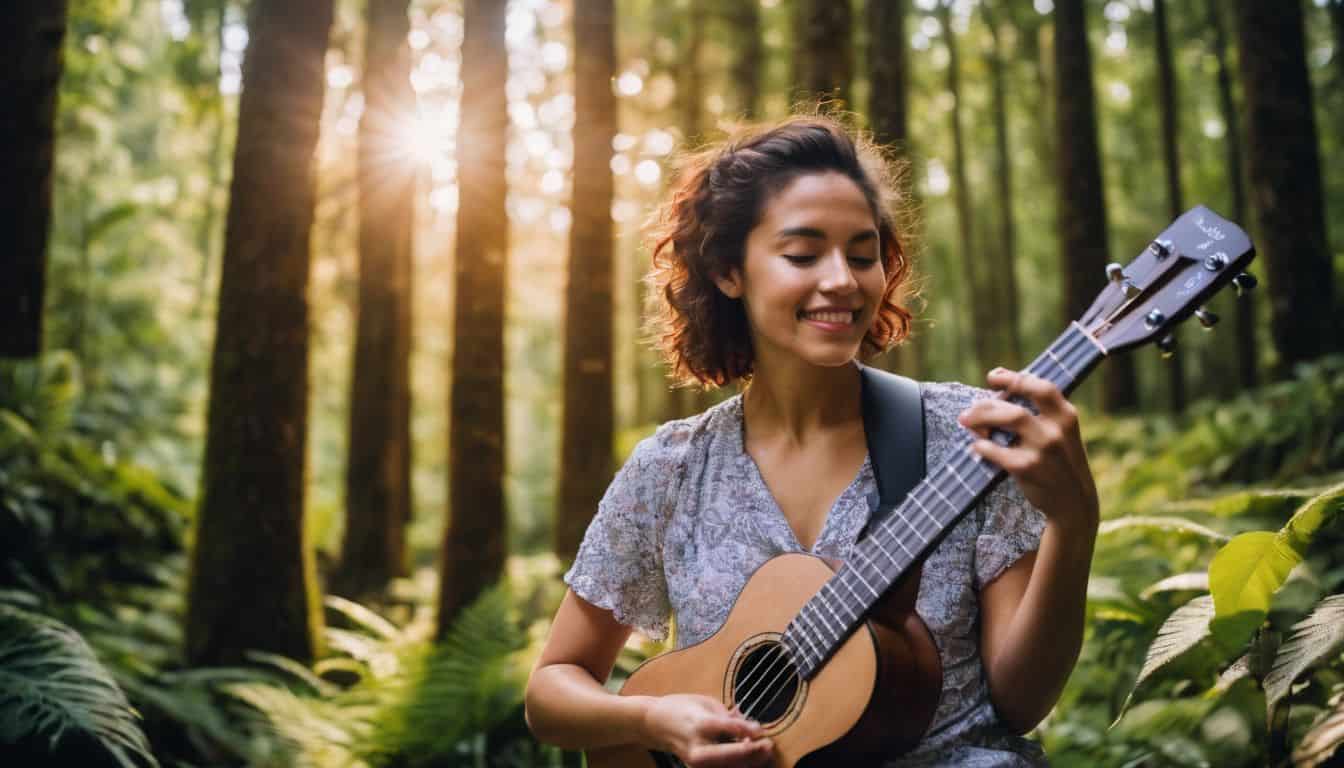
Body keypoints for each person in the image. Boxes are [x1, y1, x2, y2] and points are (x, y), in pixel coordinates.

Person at [524, 115, 1100, 767]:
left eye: (863, 254)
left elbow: (1019, 701)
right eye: (802, 254)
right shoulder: (670, 470)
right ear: (727, 270)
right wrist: (654, 718)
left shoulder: (970, 436)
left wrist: (1073, 524)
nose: (844, 281)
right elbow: (551, 692)